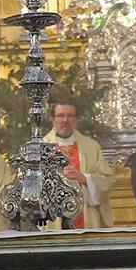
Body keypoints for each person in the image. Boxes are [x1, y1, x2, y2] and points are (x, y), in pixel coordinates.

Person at [45, 98, 113, 229]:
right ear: (52, 119)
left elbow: (107, 180)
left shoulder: (91, 147)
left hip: (86, 221)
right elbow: (30, 186)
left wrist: (85, 179)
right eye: (60, 116)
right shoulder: (41, 148)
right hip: (53, 221)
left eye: (70, 116)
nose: (65, 120)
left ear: (76, 120)